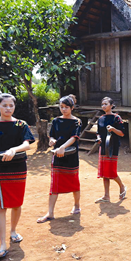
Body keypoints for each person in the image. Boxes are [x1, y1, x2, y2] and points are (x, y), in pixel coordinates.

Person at [0, 93, 35, 259]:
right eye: (4, 105)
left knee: (17, 204)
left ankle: (13, 231)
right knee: (1, 205)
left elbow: (27, 144)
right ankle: (2, 244)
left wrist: (14, 149)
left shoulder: (21, 124)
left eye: (11, 105)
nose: (8, 108)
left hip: (19, 168)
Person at [37, 95, 82, 223]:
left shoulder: (77, 121)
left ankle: (77, 206)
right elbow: (52, 135)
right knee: (54, 185)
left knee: (74, 183)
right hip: (57, 155)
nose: (63, 109)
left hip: (71, 155)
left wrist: (62, 146)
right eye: (61, 107)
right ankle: (50, 213)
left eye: (66, 107)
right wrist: (52, 141)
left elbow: (74, 137)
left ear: (72, 108)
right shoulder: (56, 121)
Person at [95, 97, 127, 203]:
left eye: (106, 104)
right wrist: (98, 138)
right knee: (104, 173)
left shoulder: (117, 118)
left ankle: (122, 186)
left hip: (113, 147)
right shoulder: (101, 118)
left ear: (111, 105)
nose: (103, 106)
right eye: (102, 104)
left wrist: (113, 129)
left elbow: (122, 133)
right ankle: (106, 196)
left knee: (111, 172)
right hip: (103, 146)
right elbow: (98, 132)